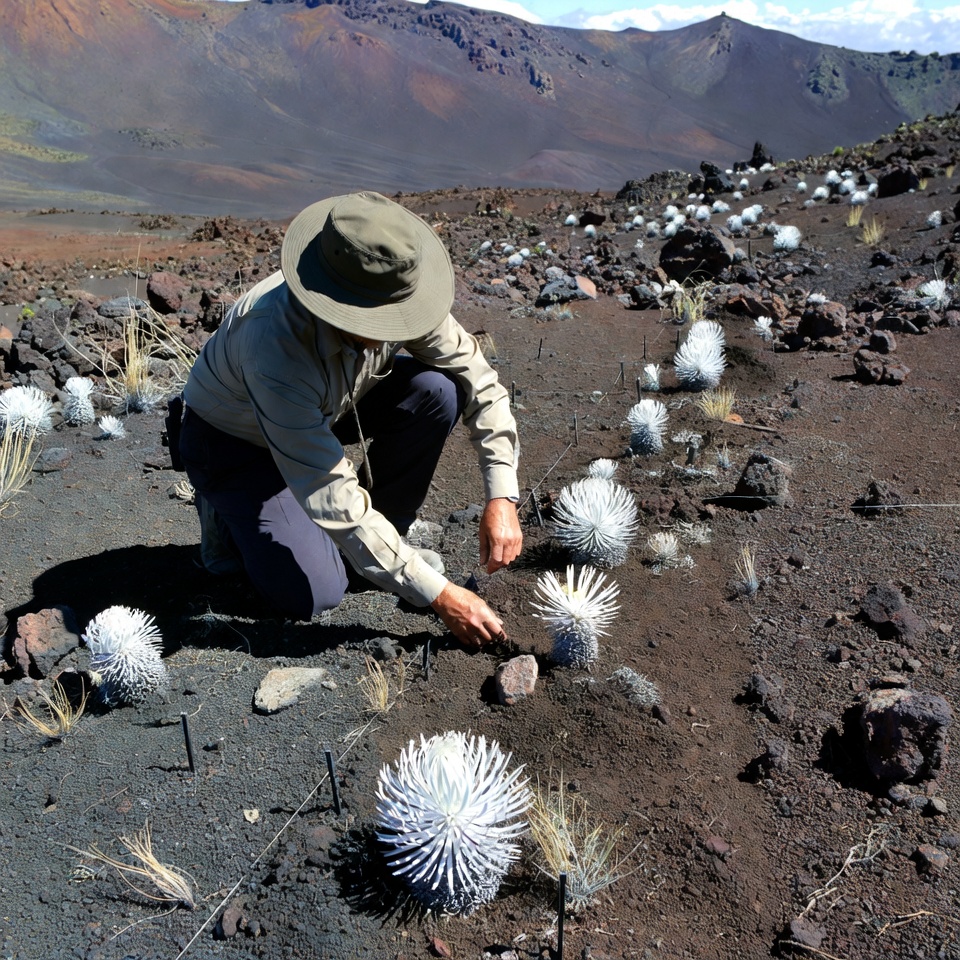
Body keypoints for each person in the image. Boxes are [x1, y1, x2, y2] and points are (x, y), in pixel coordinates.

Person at [179, 191, 522, 648]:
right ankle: (225, 520)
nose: (390, 331)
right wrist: (439, 595)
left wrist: (502, 495)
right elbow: (329, 489)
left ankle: (381, 543)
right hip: (235, 440)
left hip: (325, 407)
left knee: (437, 391)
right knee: (315, 594)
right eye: (374, 323)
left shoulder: (395, 290)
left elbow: (478, 379)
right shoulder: (274, 347)